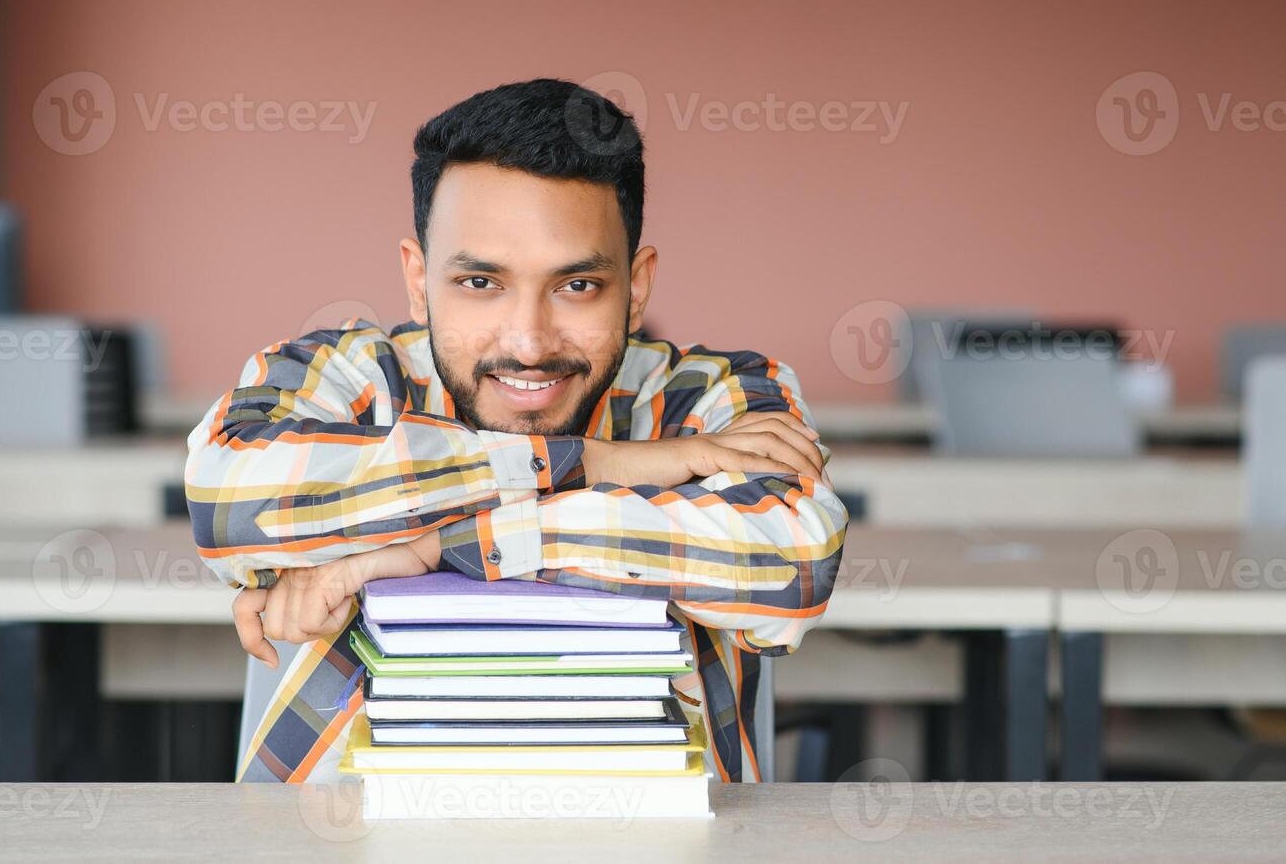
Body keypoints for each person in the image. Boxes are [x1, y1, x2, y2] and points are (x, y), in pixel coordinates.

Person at [185, 78, 849, 783]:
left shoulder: (714, 395)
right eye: (480, 284)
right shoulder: (349, 376)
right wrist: (597, 463)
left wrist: (428, 545)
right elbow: (228, 499)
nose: (529, 343)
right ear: (417, 280)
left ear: (637, 285)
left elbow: (794, 563)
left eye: (577, 286)